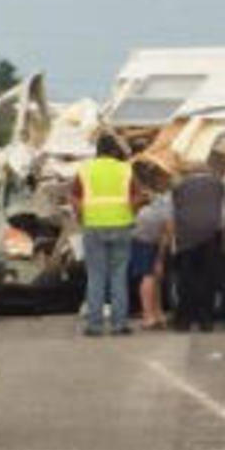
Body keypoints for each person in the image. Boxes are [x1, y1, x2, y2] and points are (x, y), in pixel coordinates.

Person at [73, 134, 140, 336]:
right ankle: (119, 324)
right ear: (114, 151)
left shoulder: (84, 170)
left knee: (96, 276)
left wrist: (81, 217)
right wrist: (131, 213)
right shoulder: (126, 169)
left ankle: (94, 325)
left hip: (93, 226)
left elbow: (74, 197)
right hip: (121, 226)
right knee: (119, 276)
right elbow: (135, 197)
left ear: (97, 150)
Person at [171, 166, 225, 332]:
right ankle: (206, 320)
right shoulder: (218, 184)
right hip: (209, 234)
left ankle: (183, 321)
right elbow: (224, 208)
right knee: (208, 278)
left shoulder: (179, 186)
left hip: (186, 235)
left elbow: (173, 209)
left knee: (186, 279)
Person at [130, 192, 171, 329]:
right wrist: (160, 258)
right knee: (149, 276)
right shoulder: (171, 207)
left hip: (145, 233)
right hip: (144, 238)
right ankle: (149, 317)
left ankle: (157, 314)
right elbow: (166, 234)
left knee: (155, 276)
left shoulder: (165, 201)